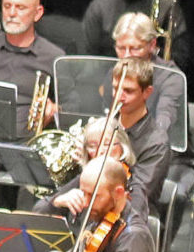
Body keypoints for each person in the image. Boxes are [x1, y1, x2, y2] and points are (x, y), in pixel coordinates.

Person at [50, 59, 171, 214]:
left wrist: (98, 165)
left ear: (147, 92)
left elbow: (137, 197)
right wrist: (83, 158)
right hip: (86, 209)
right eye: (116, 88)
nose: (119, 96)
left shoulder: (156, 143)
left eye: (128, 91)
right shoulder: (102, 129)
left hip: (130, 219)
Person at [106, 13, 188, 150]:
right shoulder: (114, 73)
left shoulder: (171, 77)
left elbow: (164, 124)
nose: (126, 55)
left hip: (162, 151)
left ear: (152, 45)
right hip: (123, 148)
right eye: (121, 48)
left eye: (135, 48)